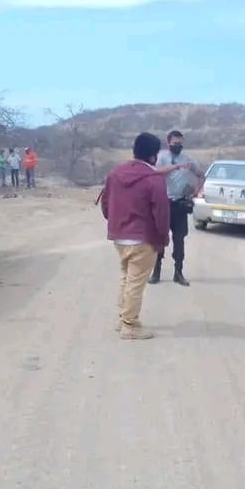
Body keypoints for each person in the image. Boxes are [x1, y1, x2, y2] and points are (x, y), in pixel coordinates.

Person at [100, 132, 170, 340]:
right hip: (142, 238)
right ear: (153, 156)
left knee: (127, 278)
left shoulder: (116, 173)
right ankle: (129, 325)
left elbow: (105, 203)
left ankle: (123, 319)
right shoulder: (154, 179)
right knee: (135, 283)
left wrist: (115, 222)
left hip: (119, 236)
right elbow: (161, 213)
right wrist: (163, 238)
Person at [148, 130, 205, 286]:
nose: (178, 146)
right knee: (160, 238)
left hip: (180, 204)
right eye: (175, 143)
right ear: (169, 143)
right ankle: (156, 272)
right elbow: (154, 172)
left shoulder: (188, 159)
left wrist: (196, 191)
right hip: (163, 203)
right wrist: (174, 167)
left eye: (180, 143)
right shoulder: (161, 157)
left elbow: (200, 175)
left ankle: (178, 273)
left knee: (179, 240)